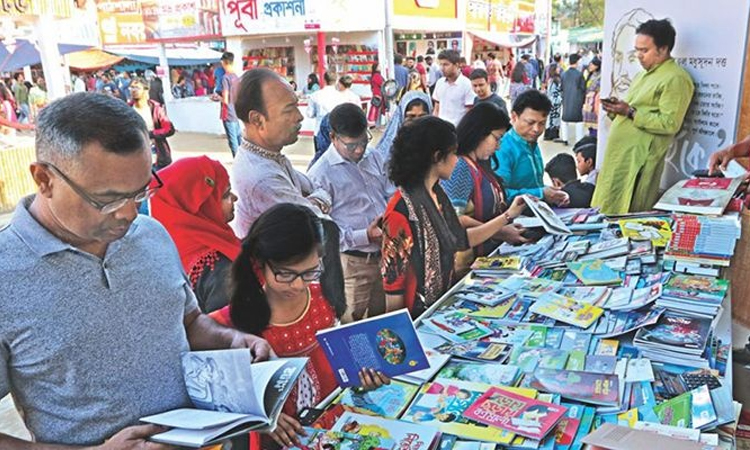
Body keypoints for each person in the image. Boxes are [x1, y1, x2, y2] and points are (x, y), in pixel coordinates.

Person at [0, 92, 271, 448]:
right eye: (108, 199)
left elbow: (187, 321)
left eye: (141, 191)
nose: (129, 213)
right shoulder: (7, 274)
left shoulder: (152, 234)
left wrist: (230, 340)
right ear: (44, 180)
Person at [209, 203, 385, 448]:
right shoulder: (227, 325)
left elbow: (335, 368)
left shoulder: (323, 299)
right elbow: (213, 391)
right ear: (260, 263)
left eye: (310, 272)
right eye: (286, 274)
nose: (299, 285)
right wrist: (260, 415)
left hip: (330, 429)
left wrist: (361, 378)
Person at [381, 116, 528, 317]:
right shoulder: (401, 210)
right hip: (418, 315)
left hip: (440, 305)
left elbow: (460, 239)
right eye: (453, 153)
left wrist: (508, 216)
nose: (456, 159)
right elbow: (393, 285)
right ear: (437, 156)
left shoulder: (437, 194)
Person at [592, 18, 694, 214]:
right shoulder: (642, 76)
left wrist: (629, 112)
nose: (638, 55)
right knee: (605, 209)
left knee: (627, 214)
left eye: (644, 50)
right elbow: (631, 114)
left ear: (663, 49)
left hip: (638, 160)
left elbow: (670, 123)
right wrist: (616, 111)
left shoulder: (676, 78)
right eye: (637, 50)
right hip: (620, 156)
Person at [308, 104, 389, 323]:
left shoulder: (374, 157)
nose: (359, 150)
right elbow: (324, 234)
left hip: (384, 257)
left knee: (383, 325)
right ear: (333, 137)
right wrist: (366, 235)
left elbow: (390, 193)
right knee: (351, 326)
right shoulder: (320, 174)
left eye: (364, 141)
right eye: (352, 145)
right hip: (352, 264)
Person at [232, 68, 332, 236]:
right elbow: (321, 225)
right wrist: (317, 202)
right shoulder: (262, 178)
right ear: (257, 120)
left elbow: (319, 189)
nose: (299, 116)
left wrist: (313, 201)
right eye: (289, 110)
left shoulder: (269, 156)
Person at [150, 156, 240, 313]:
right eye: (225, 195)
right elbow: (226, 330)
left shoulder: (153, 246)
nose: (235, 198)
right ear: (202, 207)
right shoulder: (220, 268)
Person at [441, 103, 529, 260]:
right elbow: (455, 219)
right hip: (467, 261)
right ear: (480, 133)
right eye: (497, 138)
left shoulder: (478, 165)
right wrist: (501, 230)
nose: (498, 146)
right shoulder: (460, 167)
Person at [494, 89, 570, 206]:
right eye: (530, 122)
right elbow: (499, 194)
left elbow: (535, 185)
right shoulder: (503, 149)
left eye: (542, 123)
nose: (536, 129)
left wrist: (552, 194)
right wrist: (540, 193)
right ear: (514, 117)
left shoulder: (531, 143)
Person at [129, 76, 175, 170]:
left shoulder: (156, 109)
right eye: (131, 87)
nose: (133, 90)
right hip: (136, 158)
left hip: (158, 157)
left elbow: (169, 129)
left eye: (137, 88)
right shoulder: (127, 110)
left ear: (146, 90)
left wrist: (150, 134)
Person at [375, 90, 432, 162]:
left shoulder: (436, 145)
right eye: (411, 117)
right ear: (402, 117)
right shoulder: (392, 147)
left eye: (422, 117)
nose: (417, 122)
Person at [432, 49, 475, 126]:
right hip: (440, 129)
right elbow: (436, 109)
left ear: (457, 65)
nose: (442, 68)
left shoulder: (467, 84)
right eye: (441, 64)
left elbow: (469, 113)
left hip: (458, 131)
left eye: (446, 64)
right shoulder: (440, 83)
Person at [559, 53, 586, 146]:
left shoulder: (564, 74)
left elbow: (561, 88)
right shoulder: (579, 75)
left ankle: (565, 139)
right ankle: (579, 140)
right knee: (579, 120)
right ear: (577, 62)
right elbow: (583, 88)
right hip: (577, 99)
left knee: (565, 118)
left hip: (566, 99)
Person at [220, 51, 242, 157]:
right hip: (235, 112)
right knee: (239, 139)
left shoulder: (226, 78)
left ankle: (238, 163)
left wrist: (217, 97)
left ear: (223, 62)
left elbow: (225, 99)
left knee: (233, 141)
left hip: (228, 112)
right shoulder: (236, 77)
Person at [582, 57, 602, 137]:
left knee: (595, 124)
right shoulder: (590, 75)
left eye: (592, 64)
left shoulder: (600, 76)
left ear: (597, 66)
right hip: (588, 101)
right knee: (589, 123)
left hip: (595, 100)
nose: (590, 66)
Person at [544, 63, 563, 140]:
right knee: (554, 118)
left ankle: (550, 133)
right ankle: (552, 134)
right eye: (557, 68)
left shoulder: (552, 80)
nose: (559, 69)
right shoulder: (554, 81)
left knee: (552, 118)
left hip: (553, 101)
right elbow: (552, 92)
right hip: (555, 101)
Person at [368, 62, 385, 127]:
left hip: (376, 94)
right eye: (379, 66)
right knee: (378, 110)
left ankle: (376, 124)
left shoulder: (375, 75)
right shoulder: (377, 76)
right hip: (378, 95)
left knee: (377, 110)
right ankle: (377, 125)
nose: (380, 67)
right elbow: (382, 84)